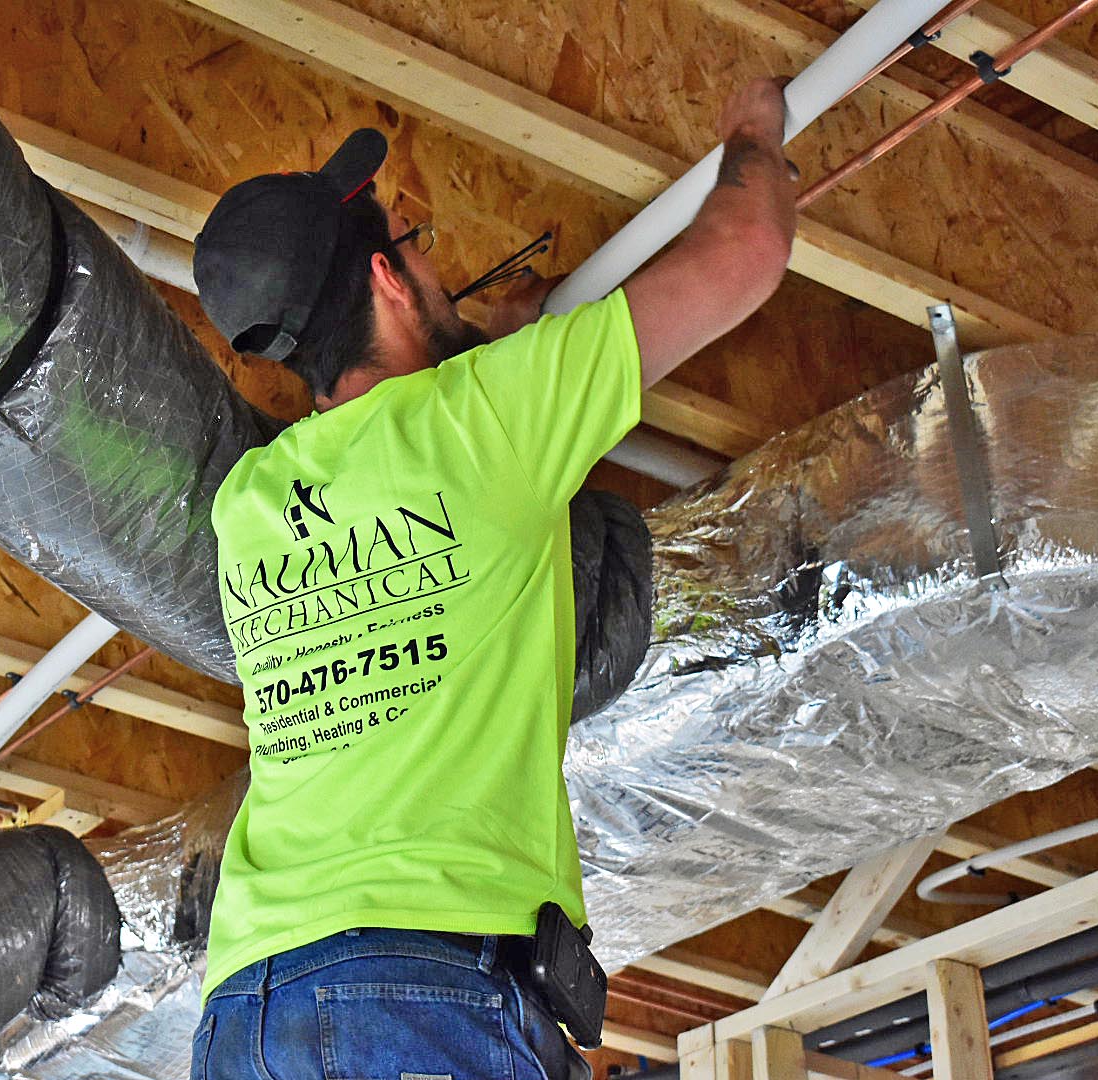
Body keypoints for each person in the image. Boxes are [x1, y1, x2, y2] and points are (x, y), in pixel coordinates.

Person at [187, 78, 797, 1080]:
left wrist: (505, 352)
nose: (436, 265)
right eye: (417, 245)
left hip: (248, 1009)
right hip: (419, 993)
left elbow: (428, 472)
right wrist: (754, 128)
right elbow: (748, 249)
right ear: (388, 281)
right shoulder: (488, 418)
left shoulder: (249, 504)